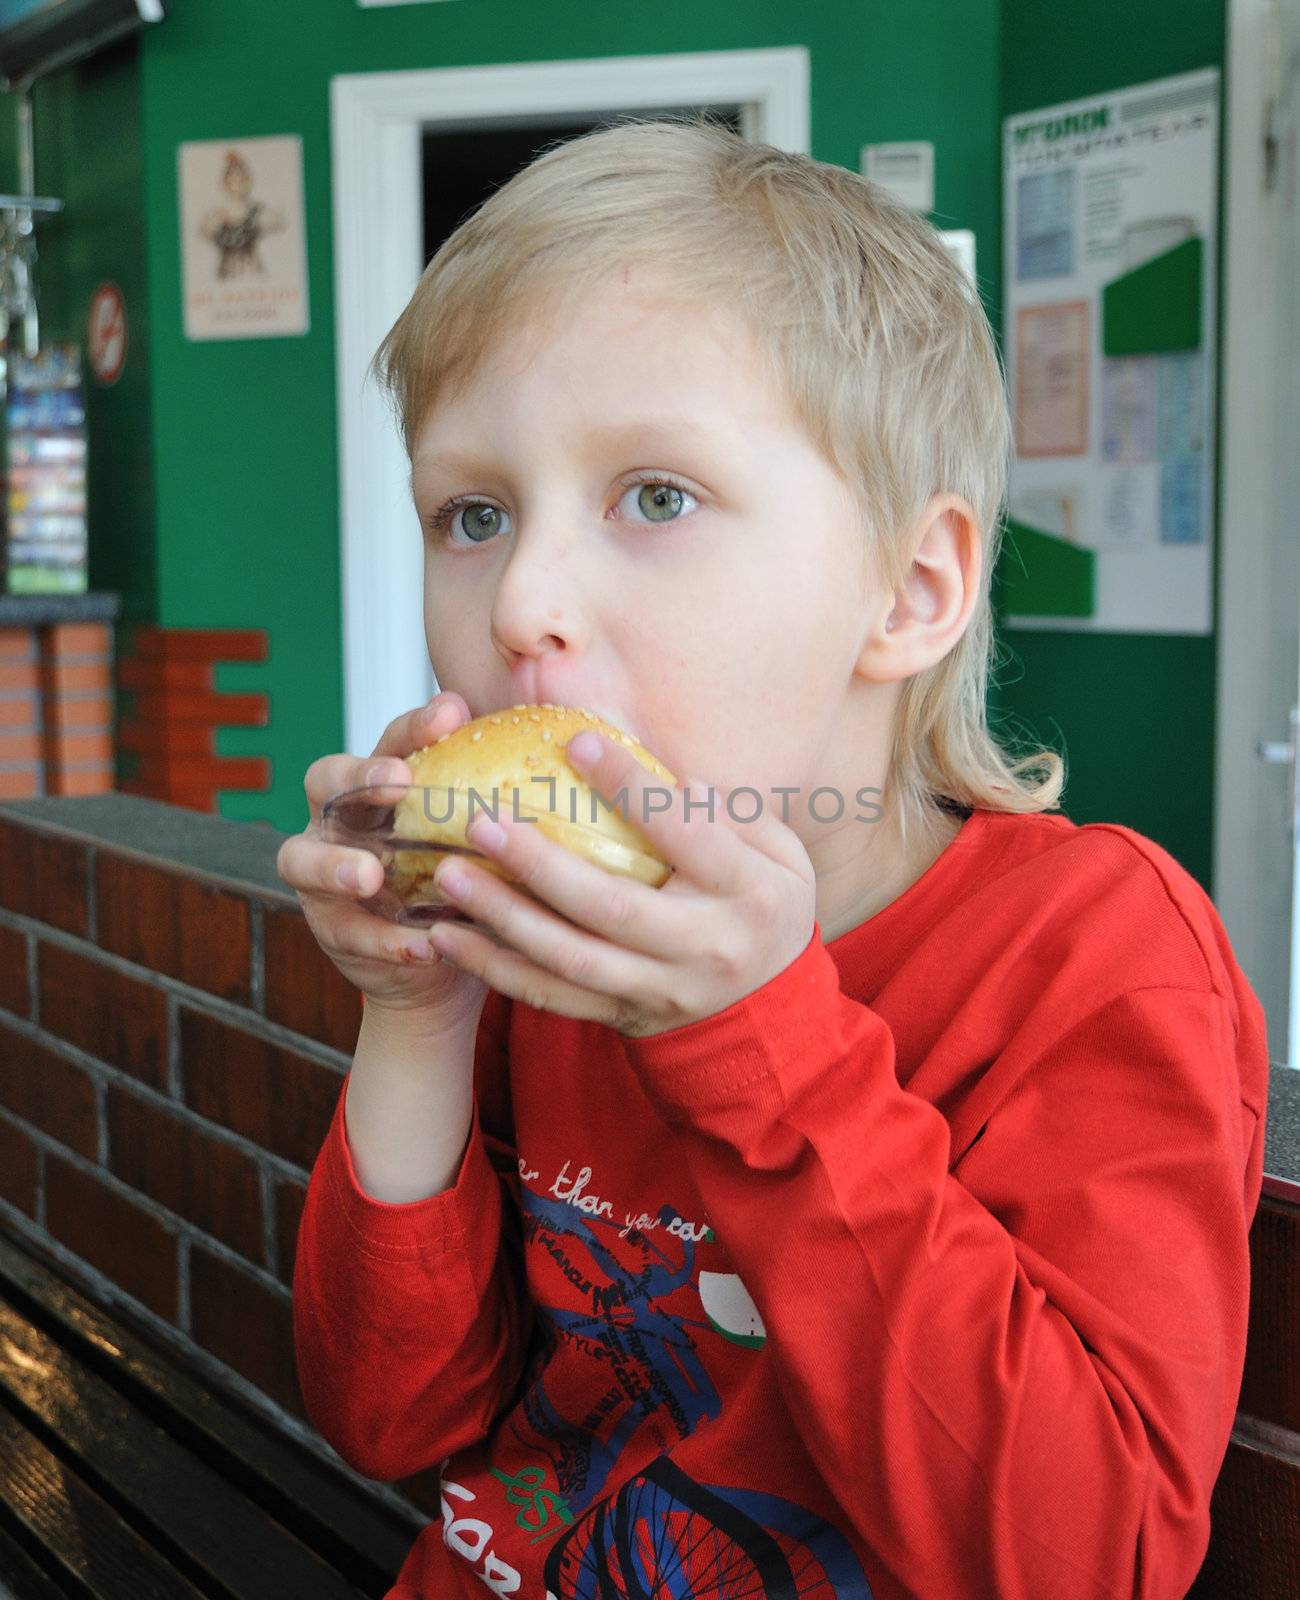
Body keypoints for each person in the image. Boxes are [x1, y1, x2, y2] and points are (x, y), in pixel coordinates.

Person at [277, 116, 1269, 1600]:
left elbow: (1086, 1562)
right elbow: (393, 1416)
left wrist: (750, 1043)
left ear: (909, 589)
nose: (527, 598)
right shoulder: (550, 933)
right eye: (472, 515)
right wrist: (414, 1014)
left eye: (656, 497)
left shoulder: (1091, 951)